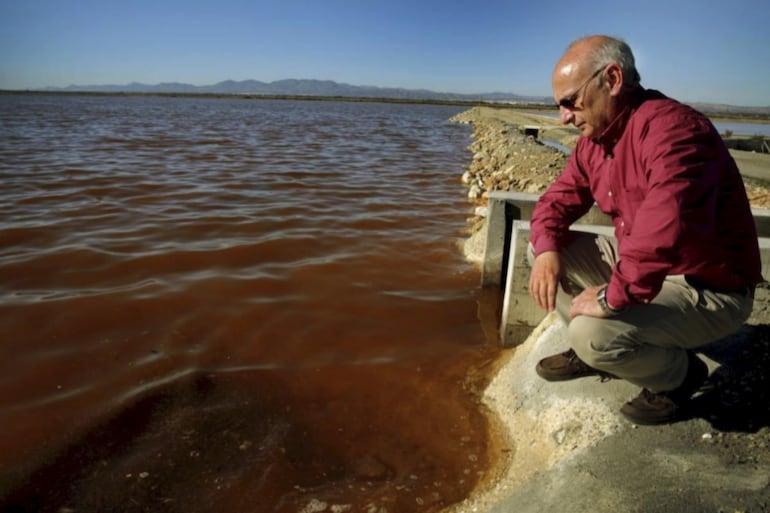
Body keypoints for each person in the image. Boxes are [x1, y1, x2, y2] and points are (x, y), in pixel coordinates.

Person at [528, 34, 763, 425]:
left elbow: (660, 235)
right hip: (650, 268)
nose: (564, 117)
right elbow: (555, 202)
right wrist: (548, 249)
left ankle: (678, 378)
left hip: (705, 285)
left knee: (593, 333)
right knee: (544, 251)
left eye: (570, 101)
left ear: (613, 79)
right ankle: (595, 350)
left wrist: (609, 300)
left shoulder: (676, 133)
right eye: (559, 107)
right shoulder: (597, 141)